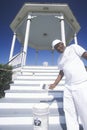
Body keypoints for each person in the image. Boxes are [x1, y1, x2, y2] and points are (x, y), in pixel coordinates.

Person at [49, 39, 87, 130]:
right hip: (68, 86)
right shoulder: (59, 59)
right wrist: (54, 84)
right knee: (69, 110)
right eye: (56, 47)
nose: (59, 47)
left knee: (84, 109)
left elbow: (86, 55)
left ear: (63, 43)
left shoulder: (73, 47)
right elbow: (61, 73)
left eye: (59, 45)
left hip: (81, 83)